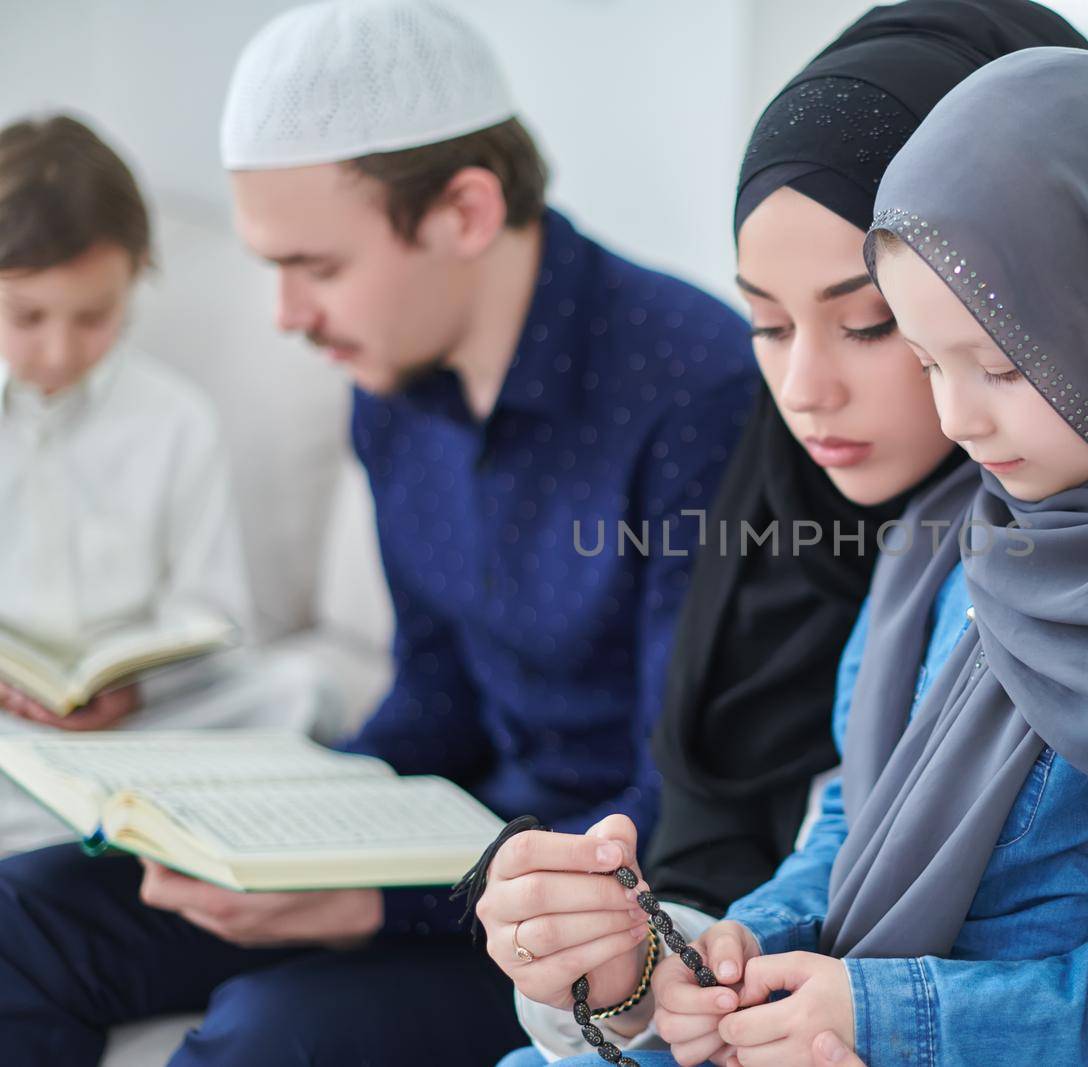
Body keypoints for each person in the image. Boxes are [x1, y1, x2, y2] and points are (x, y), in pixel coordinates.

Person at [482, 8, 1088, 1067]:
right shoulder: (932, 541)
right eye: (766, 326)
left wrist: (885, 1015)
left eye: (870, 325)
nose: (804, 390)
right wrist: (700, 959)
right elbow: (846, 826)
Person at [0, 3, 754, 1064]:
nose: (284, 313)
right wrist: (272, 833)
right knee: (24, 910)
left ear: (465, 210)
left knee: (267, 1035)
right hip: (447, 850)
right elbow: (436, 698)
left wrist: (373, 901)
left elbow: (687, 799)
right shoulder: (390, 378)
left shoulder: (695, 390)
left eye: (315, 265)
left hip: (581, 912)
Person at [0, 113, 338, 855]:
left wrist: (136, 688)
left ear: (138, 275)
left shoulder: (176, 420)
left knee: (291, 689)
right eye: (26, 316)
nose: (60, 349)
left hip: (141, 712)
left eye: (94, 317)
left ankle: (102, 801)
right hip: (7, 717)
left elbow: (213, 613)